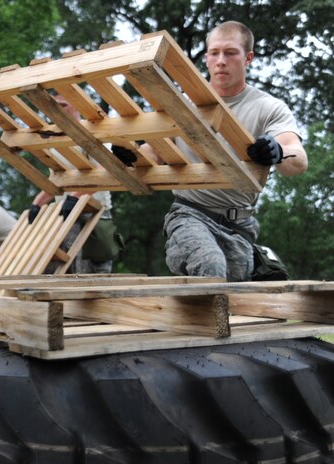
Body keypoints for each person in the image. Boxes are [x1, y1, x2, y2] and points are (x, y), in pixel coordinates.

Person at [113, 21, 307, 281]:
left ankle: (258, 260)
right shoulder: (183, 104)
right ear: (205, 58)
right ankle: (211, 318)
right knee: (210, 266)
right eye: (214, 53)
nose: (220, 60)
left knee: (243, 288)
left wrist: (277, 150)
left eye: (230, 52)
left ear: (248, 57)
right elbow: (156, 152)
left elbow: (297, 159)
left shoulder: (268, 107)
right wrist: (133, 156)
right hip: (190, 213)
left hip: (239, 224)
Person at [28, 93, 119, 274]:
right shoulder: (53, 141)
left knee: (95, 273)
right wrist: (38, 202)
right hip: (67, 213)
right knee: (68, 269)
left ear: (76, 105)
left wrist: (77, 196)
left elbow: (104, 169)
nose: (59, 110)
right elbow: (56, 180)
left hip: (95, 213)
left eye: (64, 105)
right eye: (55, 106)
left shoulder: (89, 133)